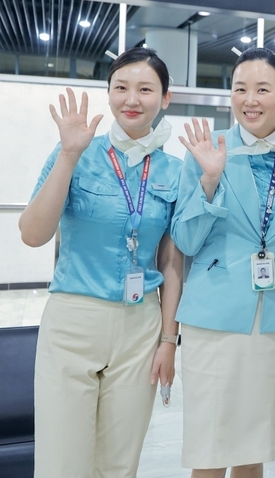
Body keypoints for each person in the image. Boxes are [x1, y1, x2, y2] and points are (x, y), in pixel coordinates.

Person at [20, 48, 183, 478]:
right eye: (121, 88)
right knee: (62, 463)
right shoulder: (76, 152)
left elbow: (170, 262)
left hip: (141, 328)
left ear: (165, 98)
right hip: (74, 320)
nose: (132, 99)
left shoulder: (173, 170)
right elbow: (33, 234)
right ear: (109, 93)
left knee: (119, 464)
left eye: (145, 89)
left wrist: (169, 339)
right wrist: (69, 155)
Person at [171, 47, 275, 478]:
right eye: (240, 89)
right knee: (210, 447)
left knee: (253, 446)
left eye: (262, 89)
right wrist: (210, 182)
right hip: (214, 317)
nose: (250, 100)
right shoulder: (206, 151)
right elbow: (185, 239)